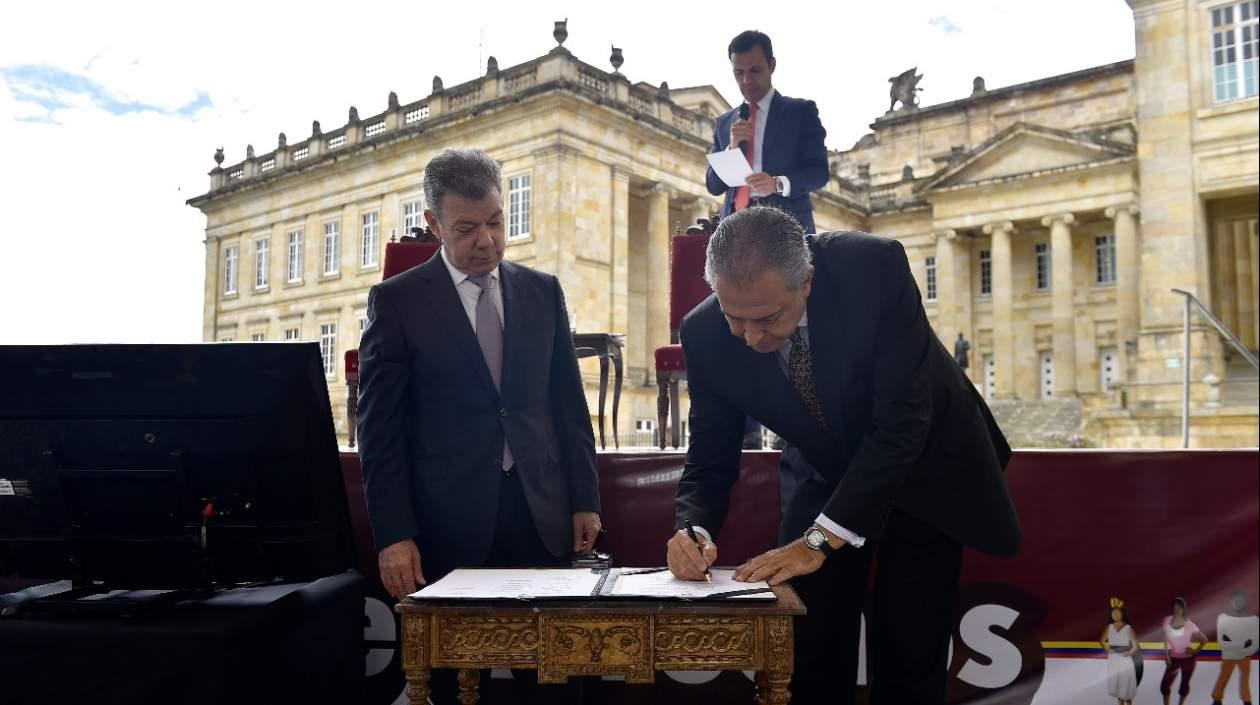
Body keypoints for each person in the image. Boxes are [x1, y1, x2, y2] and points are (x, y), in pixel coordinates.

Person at [664, 207, 1020, 705]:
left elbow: (901, 427)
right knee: (809, 647)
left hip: (923, 467)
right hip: (826, 469)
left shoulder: (872, 267)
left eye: (768, 318)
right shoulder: (703, 334)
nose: (751, 337)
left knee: (910, 651)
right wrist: (693, 529)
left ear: (805, 280)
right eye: (733, 317)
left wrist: (817, 540)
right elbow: (709, 456)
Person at [357, 148, 601, 704]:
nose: (486, 240)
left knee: (554, 685)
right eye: (466, 228)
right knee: (453, 685)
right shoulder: (397, 303)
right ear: (434, 224)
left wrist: (585, 499)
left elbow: (567, 404)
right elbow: (380, 432)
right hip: (447, 525)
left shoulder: (544, 291)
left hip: (541, 516)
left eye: (496, 222)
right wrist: (394, 535)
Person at [705, 30, 831, 450]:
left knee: (792, 326)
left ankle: (797, 428)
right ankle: (744, 433)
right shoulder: (727, 121)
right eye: (738, 73)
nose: (746, 81)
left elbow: (819, 171)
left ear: (771, 65)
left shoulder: (799, 112)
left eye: (754, 70)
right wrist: (731, 145)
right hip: (735, 238)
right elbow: (712, 183)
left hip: (785, 236)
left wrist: (778, 181)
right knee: (736, 328)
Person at [1212, 590, 1258, 705]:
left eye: (1240, 600)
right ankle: (1217, 699)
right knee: (1224, 676)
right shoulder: (1223, 619)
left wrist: (1237, 647)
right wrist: (1241, 647)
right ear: (1231, 602)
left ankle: (1246, 700)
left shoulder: (1253, 620)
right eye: (1235, 600)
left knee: (1244, 678)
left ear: (1245, 602)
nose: (1237, 602)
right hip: (1231, 655)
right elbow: (1222, 642)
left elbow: (1255, 643)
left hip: (1241, 655)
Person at [1160, 596, 1207, 705]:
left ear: (1183, 609)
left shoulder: (1190, 624)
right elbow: (1165, 638)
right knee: (1164, 685)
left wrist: (1195, 650)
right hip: (1174, 658)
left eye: (1179, 608)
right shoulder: (1167, 620)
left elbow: (1204, 640)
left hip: (1188, 660)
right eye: (1175, 607)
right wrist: (1166, 655)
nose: (1177, 610)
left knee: (1184, 684)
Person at [1101, 598, 1140, 705]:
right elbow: (1102, 641)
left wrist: (1129, 653)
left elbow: (1135, 646)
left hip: (1125, 659)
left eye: (1118, 612)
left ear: (1122, 613)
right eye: (1114, 613)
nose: (1116, 615)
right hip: (1114, 659)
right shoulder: (1109, 627)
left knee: (1126, 687)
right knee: (1118, 687)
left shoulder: (1128, 628)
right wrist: (1108, 649)